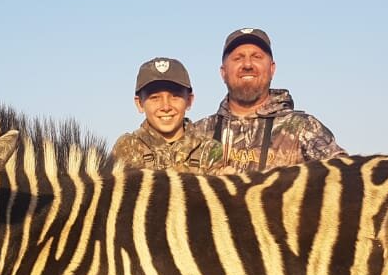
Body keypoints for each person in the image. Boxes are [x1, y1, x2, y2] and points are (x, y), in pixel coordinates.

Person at [194, 27, 345, 173]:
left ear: (272, 69)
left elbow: (345, 177)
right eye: (238, 58)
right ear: (223, 72)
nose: (247, 65)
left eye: (257, 57)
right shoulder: (197, 134)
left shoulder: (303, 128)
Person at [111, 57, 222, 173]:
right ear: (139, 104)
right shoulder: (126, 148)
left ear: (189, 101)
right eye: (154, 98)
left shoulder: (209, 150)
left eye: (175, 96)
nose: (166, 107)